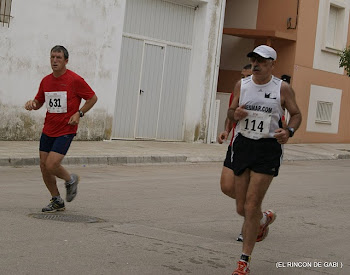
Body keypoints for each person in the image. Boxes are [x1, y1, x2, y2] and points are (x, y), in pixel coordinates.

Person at [227, 45, 302, 275]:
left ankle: (244, 261)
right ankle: (263, 219)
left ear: (272, 64)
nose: (256, 65)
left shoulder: (283, 88)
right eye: (253, 60)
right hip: (244, 145)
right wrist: (234, 115)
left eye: (262, 61)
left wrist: (288, 131)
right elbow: (231, 111)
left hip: (268, 148)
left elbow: (296, 114)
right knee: (242, 207)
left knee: (251, 206)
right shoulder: (243, 85)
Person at [24, 45, 98, 213]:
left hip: (66, 129)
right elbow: (39, 101)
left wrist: (79, 113)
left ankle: (70, 179)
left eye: (58, 58)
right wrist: (32, 104)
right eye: (52, 57)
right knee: (44, 166)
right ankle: (57, 200)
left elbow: (92, 98)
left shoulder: (75, 80)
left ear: (66, 61)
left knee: (52, 164)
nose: (54, 61)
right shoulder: (46, 81)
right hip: (48, 128)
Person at [217, 64, 252, 242]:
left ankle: (249, 224)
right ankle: (256, 213)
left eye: (247, 76)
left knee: (246, 188)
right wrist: (226, 130)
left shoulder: (268, 96)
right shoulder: (238, 91)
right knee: (226, 186)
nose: (243, 80)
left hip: (255, 149)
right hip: (235, 146)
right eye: (242, 76)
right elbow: (231, 115)